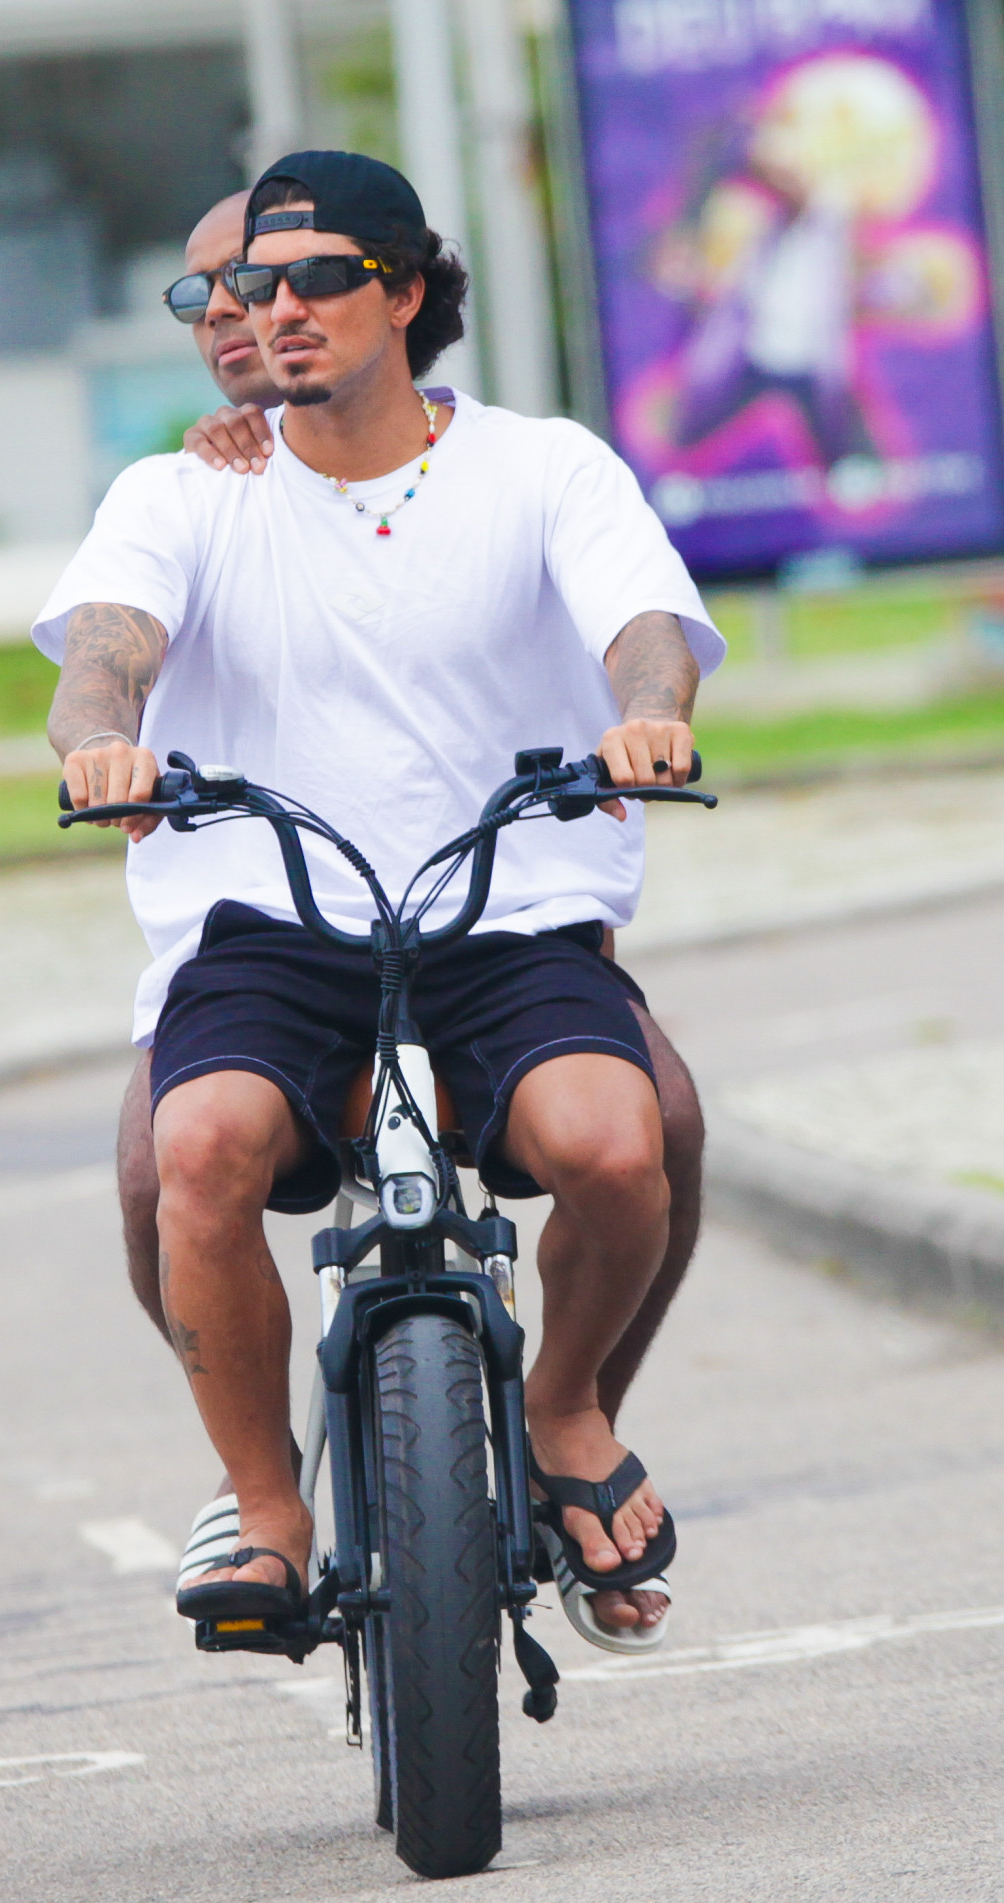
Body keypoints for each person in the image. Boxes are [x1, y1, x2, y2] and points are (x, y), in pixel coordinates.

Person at [36, 150, 724, 1653]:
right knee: (190, 1148)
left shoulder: (548, 466)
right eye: (242, 288)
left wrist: (649, 711)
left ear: (403, 291)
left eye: (309, 281)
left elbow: (646, 619)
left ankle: (566, 1409)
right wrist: (98, 738)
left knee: (626, 1137)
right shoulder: (182, 488)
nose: (267, 311)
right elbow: (108, 645)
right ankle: (263, 1498)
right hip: (268, 933)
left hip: (505, 917)